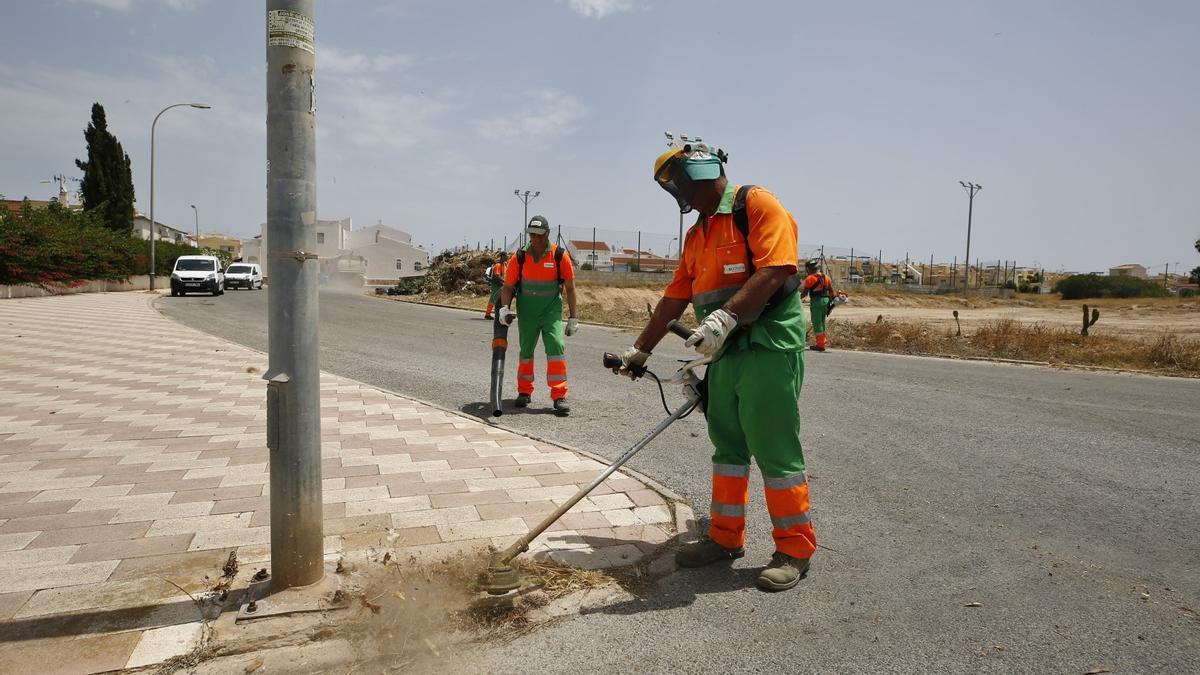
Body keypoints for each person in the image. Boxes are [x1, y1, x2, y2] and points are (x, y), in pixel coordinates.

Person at [619, 139, 816, 591]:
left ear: (702, 169)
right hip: (726, 354)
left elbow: (777, 269)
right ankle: (725, 538)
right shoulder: (698, 234)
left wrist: (724, 317)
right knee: (727, 447)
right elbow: (676, 294)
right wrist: (641, 349)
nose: (679, 193)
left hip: (768, 345)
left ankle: (796, 548)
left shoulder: (757, 205)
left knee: (774, 449)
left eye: (679, 181)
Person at [498, 216, 579, 414]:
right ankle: (524, 392)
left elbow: (570, 287)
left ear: (547, 233)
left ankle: (559, 395)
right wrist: (504, 309)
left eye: (538, 235)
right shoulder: (520, 257)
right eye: (531, 235)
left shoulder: (559, 256)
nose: (534, 239)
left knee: (556, 348)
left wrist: (573, 317)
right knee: (526, 352)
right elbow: (508, 286)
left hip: (551, 312)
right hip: (527, 312)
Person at [800, 258, 833, 351]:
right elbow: (831, 291)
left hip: (816, 302)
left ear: (809, 269)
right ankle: (822, 342)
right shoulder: (826, 277)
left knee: (817, 323)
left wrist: (797, 299)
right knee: (822, 322)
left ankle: (821, 345)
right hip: (826, 301)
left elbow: (804, 293)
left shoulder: (810, 278)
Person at [483, 254, 506, 320]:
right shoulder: (498, 265)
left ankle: (496, 315)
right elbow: (497, 276)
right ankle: (488, 314)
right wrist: (504, 281)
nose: (506, 258)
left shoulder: (504, 265)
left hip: (501, 284)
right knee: (493, 299)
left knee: (499, 299)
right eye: (505, 256)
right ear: (502, 257)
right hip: (496, 284)